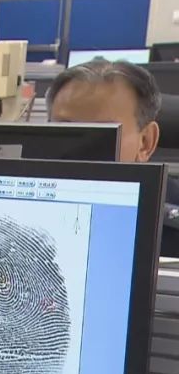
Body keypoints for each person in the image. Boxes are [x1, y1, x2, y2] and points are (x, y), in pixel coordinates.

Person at [47, 58, 179, 257]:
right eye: (66, 132)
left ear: (145, 143)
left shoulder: (169, 232)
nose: (79, 150)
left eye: (102, 135)